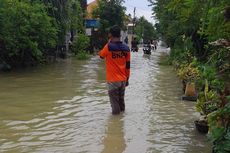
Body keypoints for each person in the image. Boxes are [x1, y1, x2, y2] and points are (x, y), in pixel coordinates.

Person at [98, 25, 130, 115]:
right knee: (121, 102)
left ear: (110, 35)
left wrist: (108, 42)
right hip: (123, 80)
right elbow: (128, 66)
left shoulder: (108, 47)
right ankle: (122, 121)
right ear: (120, 35)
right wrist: (127, 79)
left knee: (115, 105)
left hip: (113, 81)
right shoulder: (126, 48)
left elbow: (101, 55)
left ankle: (116, 125)